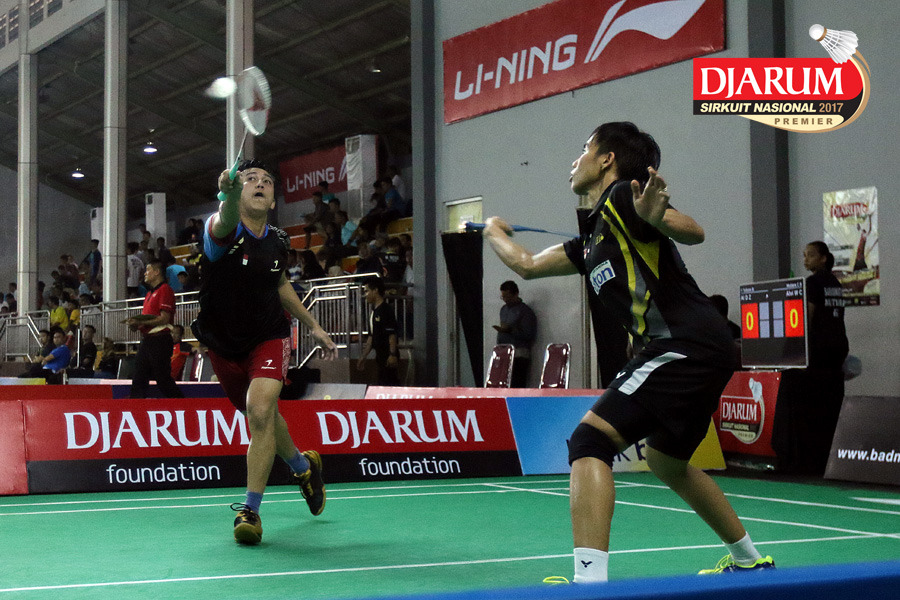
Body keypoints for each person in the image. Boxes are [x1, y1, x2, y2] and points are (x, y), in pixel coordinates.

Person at [482, 121, 773, 582]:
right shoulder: (592, 239)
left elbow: (693, 231)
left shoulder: (623, 198)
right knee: (665, 461)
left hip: (682, 342)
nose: (575, 160)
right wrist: (493, 231)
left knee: (589, 441)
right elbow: (528, 264)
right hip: (700, 346)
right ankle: (749, 559)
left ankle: (590, 583)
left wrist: (660, 218)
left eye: (584, 148)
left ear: (607, 160)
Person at [195, 159, 337, 545]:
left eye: (267, 181)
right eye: (251, 179)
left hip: (269, 336)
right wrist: (228, 195)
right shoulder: (220, 230)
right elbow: (225, 218)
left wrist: (312, 325)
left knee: (259, 412)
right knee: (265, 417)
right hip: (223, 343)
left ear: (273, 200)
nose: (259, 184)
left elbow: (279, 283)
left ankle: (250, 511)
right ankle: (303, 467)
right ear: (237, 191)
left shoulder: (277, 239)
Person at [773, 242, 849, 475]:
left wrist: (792, 352)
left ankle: (798, 460)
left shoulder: (812, 283)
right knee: (829, 405)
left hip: (817, 353)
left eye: (811, 255)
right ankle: (826, 458)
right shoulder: (836, 284)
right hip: (837, 351)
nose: (806, 260)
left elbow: (805, 319)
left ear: (824, 258)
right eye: (804, 255)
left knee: (804, 402)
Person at [127, 260, 184, 399]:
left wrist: (142, 322)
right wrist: (136, 325)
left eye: (148, 270)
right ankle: (136, 406)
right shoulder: (149, 294)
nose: (145, 273)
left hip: (160, 340)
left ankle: (182, 404)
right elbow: (148, 320)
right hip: (147, 339)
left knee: (162, 378)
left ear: (157, 272)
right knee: (139, 376)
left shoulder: (165, 290)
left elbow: (164, 319)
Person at [357, 276, 400, 385]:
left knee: (390, 384)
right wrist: (363, 356)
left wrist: (392, 354)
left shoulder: (386, 310)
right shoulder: (374, 312)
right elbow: (371, 336)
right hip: (379, 356)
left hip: (388, 355)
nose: (365, 295)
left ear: (375, 290)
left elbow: (392, 334)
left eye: (367, 291)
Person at [494, 280, 537, 388]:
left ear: (516, 294)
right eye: (503, 297)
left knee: (517, 385)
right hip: (504, 352)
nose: (505, 300)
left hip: (519, 354)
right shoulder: (503, 309)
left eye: (507, 296)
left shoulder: (525, 312)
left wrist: (510, 330)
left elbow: (529, 334)